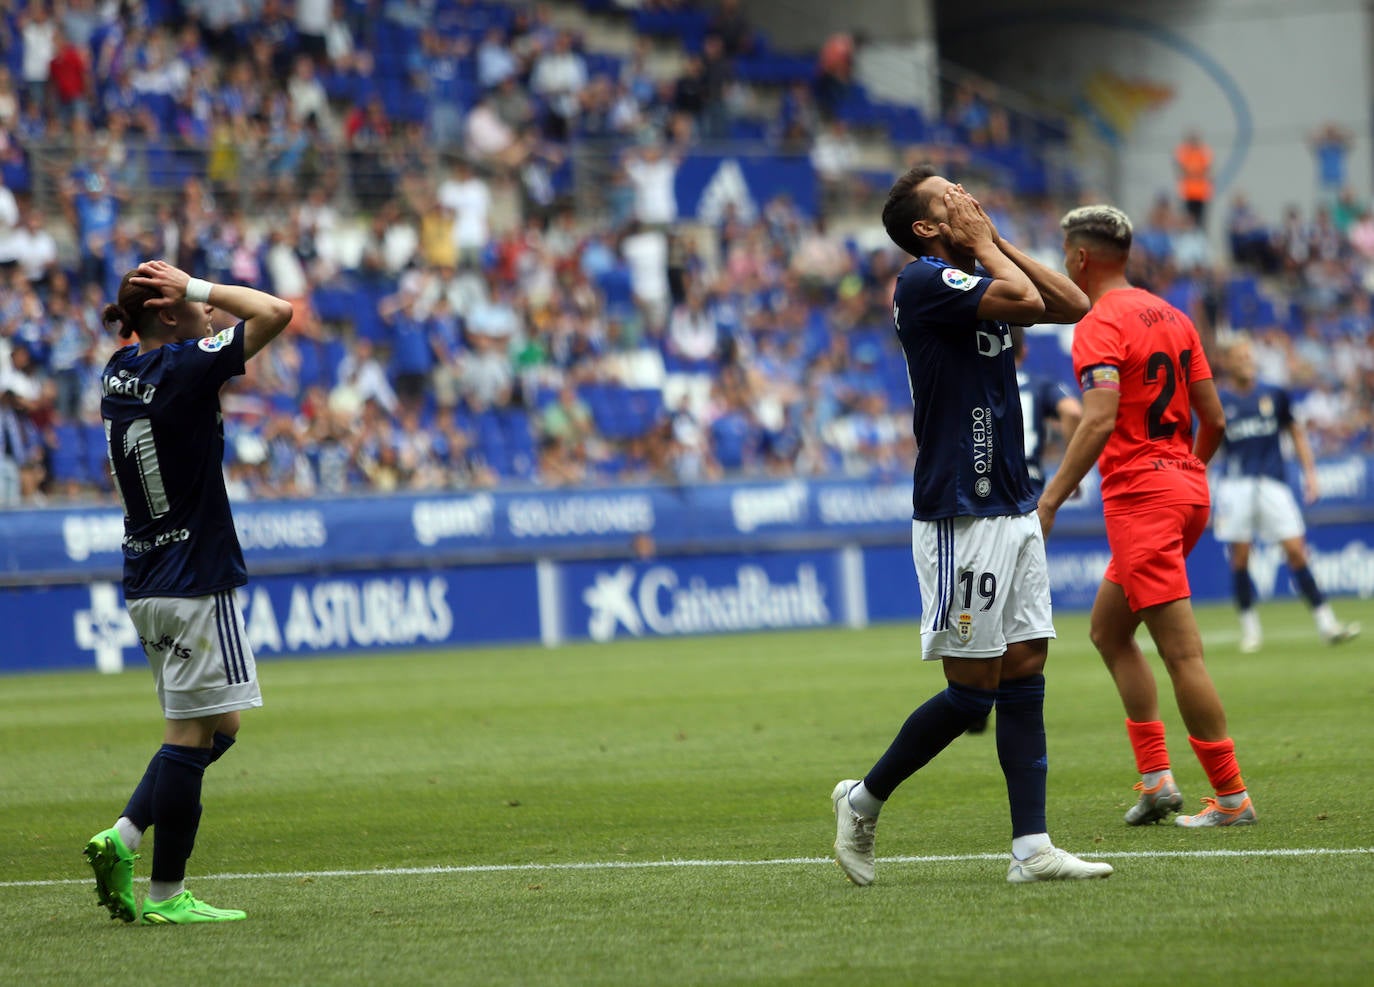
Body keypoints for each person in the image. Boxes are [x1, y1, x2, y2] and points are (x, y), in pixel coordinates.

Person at [831, 165, 1113, 886]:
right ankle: (862, 800)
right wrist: (986, 242)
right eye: (948, 196)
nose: (966, 197)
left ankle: (1032, 848)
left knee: (1026, 669)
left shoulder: (976, 268)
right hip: (963, 504)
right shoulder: (923, 280)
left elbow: (1074, 302)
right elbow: (1022, 296)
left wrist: (992, 239)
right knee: (970, 692)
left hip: (1011, 501)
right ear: (926, 228)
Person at [84, 259, 293, 924]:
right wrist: (196, 287)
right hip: (195, 577)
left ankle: (123, 837)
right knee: (190, 735)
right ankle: (168, 893)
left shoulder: (117, 372)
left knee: (218, 726)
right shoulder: (181, 368)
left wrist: (173, 299)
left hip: (148, 578)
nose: (212, 312)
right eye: (195, 303)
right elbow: (275, 312)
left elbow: (155, 335)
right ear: (170, 314)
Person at [1039, 204, 1255, 829]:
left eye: (1064, 253)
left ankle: (1232, 796)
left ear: (1079, 258)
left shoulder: (1098, 322)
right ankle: (1158, 780)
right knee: (1109, 632)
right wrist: (1184, 474)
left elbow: (1101, 416)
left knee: (1182, 656)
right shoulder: (1175, 316)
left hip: (1142, 502)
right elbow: (1213, 419)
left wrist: (1051, 498)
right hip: (1185, 490)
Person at [966, 326, 1083, 735]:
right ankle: (1007, 695)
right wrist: (1073, 471)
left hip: (985, 497)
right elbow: (1073, 413)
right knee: (1019, 608)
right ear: (1024, 347)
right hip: (1029, 496)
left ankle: (975, 692)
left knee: (986, 599)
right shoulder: (1042, 385)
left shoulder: (977, 378)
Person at [1213, 337, 1359, 652]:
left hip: (1272, 484)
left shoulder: (1274, 393)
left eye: (1248, 355)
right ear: (1227, 362)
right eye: (1239, 357)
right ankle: (1250, 629)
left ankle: (1327, 624)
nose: (1246, 361)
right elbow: (1210, 440)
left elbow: (1295, 432)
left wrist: (1310, 474)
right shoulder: (1219, 399)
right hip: (1235, 485)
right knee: (1240, 557)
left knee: (1295, 550)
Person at [1173, 130, 1214, 228]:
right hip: (1188, 193)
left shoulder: (1204, 151)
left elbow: (1207, 170)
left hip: (1201, 193)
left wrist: (1192, 172)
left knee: (1201, 221)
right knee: (1187, 220)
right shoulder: (1184, 151)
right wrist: (1195, 172)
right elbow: (1181, 170)